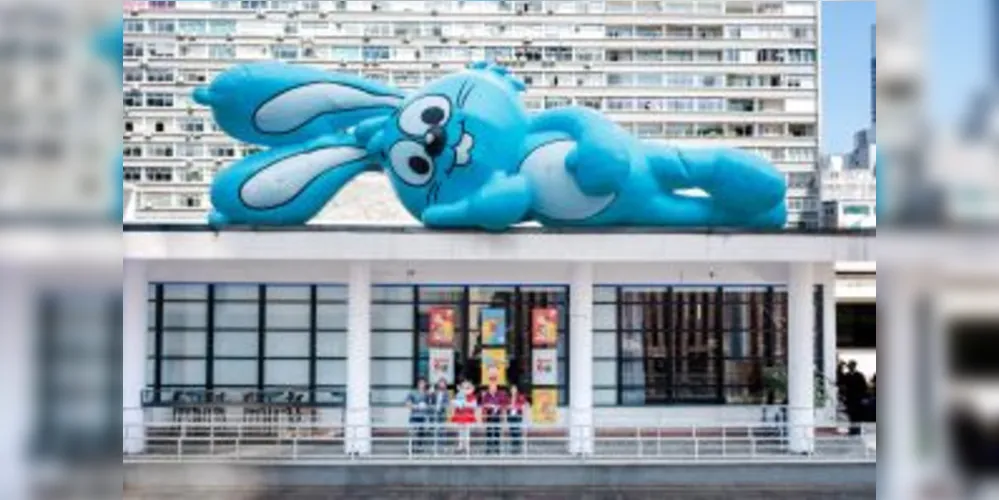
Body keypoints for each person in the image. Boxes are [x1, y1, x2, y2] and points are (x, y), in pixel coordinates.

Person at [450, 379, 479, 454]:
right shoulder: (459, 395)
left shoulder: (473, 397)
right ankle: (460, 446)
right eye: (464, 387)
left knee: (467, 432)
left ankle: (467, 446)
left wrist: (464, 404)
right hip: (460, 416)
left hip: (468, 416)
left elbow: (474, 405)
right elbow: (454, 404)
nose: (465, 389)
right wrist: (458, 403)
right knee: (460, 432)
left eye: (467, 387)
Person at [480, 382, 508, 455]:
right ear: (489, 389)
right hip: (489, 416)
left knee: (497, 433)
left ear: (496, 388)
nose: (493, 389)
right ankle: (488, 449)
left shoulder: (500, 395)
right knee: (488, 433)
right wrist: (489, 405)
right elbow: (483, 404)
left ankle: (497, 449)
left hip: (497, 415)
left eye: (494, 388)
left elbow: (504, 403)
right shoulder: (486, 395)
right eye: (491, 388)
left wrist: (498, 406)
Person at [405, 378, 431, 454]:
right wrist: (415, 406)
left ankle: (419, 448)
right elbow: (407, 403)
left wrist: (427, 404)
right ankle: (411, 448)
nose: (422, 384)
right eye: (421, 383)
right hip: (414, 415)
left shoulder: (426, 393)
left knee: (421, 433)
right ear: (418, 384)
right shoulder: (412, 392)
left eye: (424, 383)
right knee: (412, 432)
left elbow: (430, 404)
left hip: (423, 416)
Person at [842, 361, 868, 435]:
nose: (851, 367)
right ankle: (852, 429)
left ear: (854, 366)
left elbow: (864, 387)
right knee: (851, 415)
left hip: (858, 398)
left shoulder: (859, 375)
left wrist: (863, 398)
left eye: (852, 366)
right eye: (849, 366)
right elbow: (843, 385)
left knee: (858, 415)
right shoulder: (846, 375)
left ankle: (857, 430)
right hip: (849, 398)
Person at [505, 385, 530, 455]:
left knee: (517, 432)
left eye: (514, 389)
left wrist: (517, 406)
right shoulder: (508, 397)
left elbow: (526, 404)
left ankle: (517, 448)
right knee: (512, 433)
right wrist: (508, 406)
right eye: (512, 389)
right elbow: (505, 405)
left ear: (516, 390)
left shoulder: (520, 396)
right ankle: (513, 448)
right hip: (510, 417)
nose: (513, 390)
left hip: (517, 416)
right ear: (510, 390)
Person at [429, 378, 452, 453]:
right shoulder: (435, 392)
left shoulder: (447, 393)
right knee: (435, 430)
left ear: (445, 385)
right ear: (438, 384)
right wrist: (431, 394)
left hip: (442, 413)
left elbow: (447, 403)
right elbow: (431, 401)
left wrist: (443, 405)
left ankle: (443, 447)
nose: (442, 384)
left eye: (443, 383)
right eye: (440, 383)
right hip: (435, 413)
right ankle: (435, 446)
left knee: (443, 431)